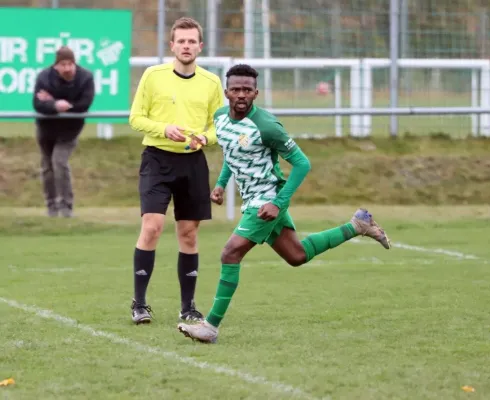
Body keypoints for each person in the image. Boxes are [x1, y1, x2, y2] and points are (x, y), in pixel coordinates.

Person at [176, 64, 392, 344]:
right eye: (236, 89)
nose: (241, 94)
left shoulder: (267, 126)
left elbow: (302, 163)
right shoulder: (220, 118)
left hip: (267, 199)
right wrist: (220, 183)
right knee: (297, 256)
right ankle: (357, 225)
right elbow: (232, 152)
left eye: (247, 90)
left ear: (256, 93)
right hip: (254, 200)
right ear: (226, 92)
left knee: (230, 253)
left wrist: (278, 203)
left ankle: (210, 327)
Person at [128, 17, 224, 325]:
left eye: (191, 41)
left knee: (189, 233)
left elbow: (219, 127)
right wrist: (163, 128)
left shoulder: (211, 82)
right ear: (172, 46)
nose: (186, 46)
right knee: (152, 226)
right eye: (180, 41)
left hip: (193, 163)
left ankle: (188, 307)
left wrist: (205, 138)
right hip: (157, 160)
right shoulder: (153, 75)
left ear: (200, 46)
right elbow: (135, 118)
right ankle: (139, 304)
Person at [32, 46, 95, 218]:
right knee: (47, 167)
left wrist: (56, 102)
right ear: (56, 66)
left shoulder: (85, 78)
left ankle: (66, 207)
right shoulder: (44, 77)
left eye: (70, 64)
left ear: (75, 64)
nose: (67, 68)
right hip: (46, 129)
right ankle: (51, 207)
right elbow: (37, 104)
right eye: (63, 64)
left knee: (59, 162)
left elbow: (84, 104)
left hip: (70, 130)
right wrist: (54, 105)